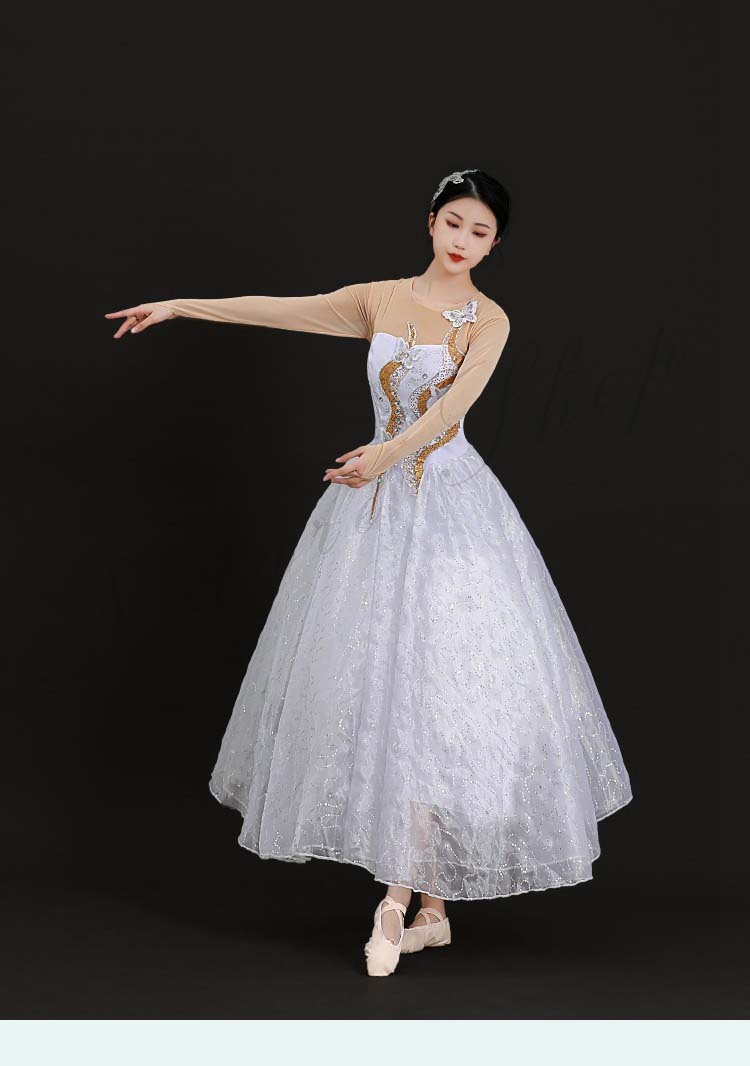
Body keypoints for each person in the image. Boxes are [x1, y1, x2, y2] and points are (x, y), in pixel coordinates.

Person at [105, 168, 633, 977]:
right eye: (454, 223)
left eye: (481, 232)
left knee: (443, 688)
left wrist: (384, 456)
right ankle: (421, 907)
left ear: (494, 244)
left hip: (451, 512)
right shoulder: (379, 299)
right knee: (382, 685)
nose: (463, 241)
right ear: (430, 222)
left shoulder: (489, 320)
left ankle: (409, 903)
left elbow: (451, 412)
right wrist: (181, 306)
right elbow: (283, 311)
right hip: (371, 511)